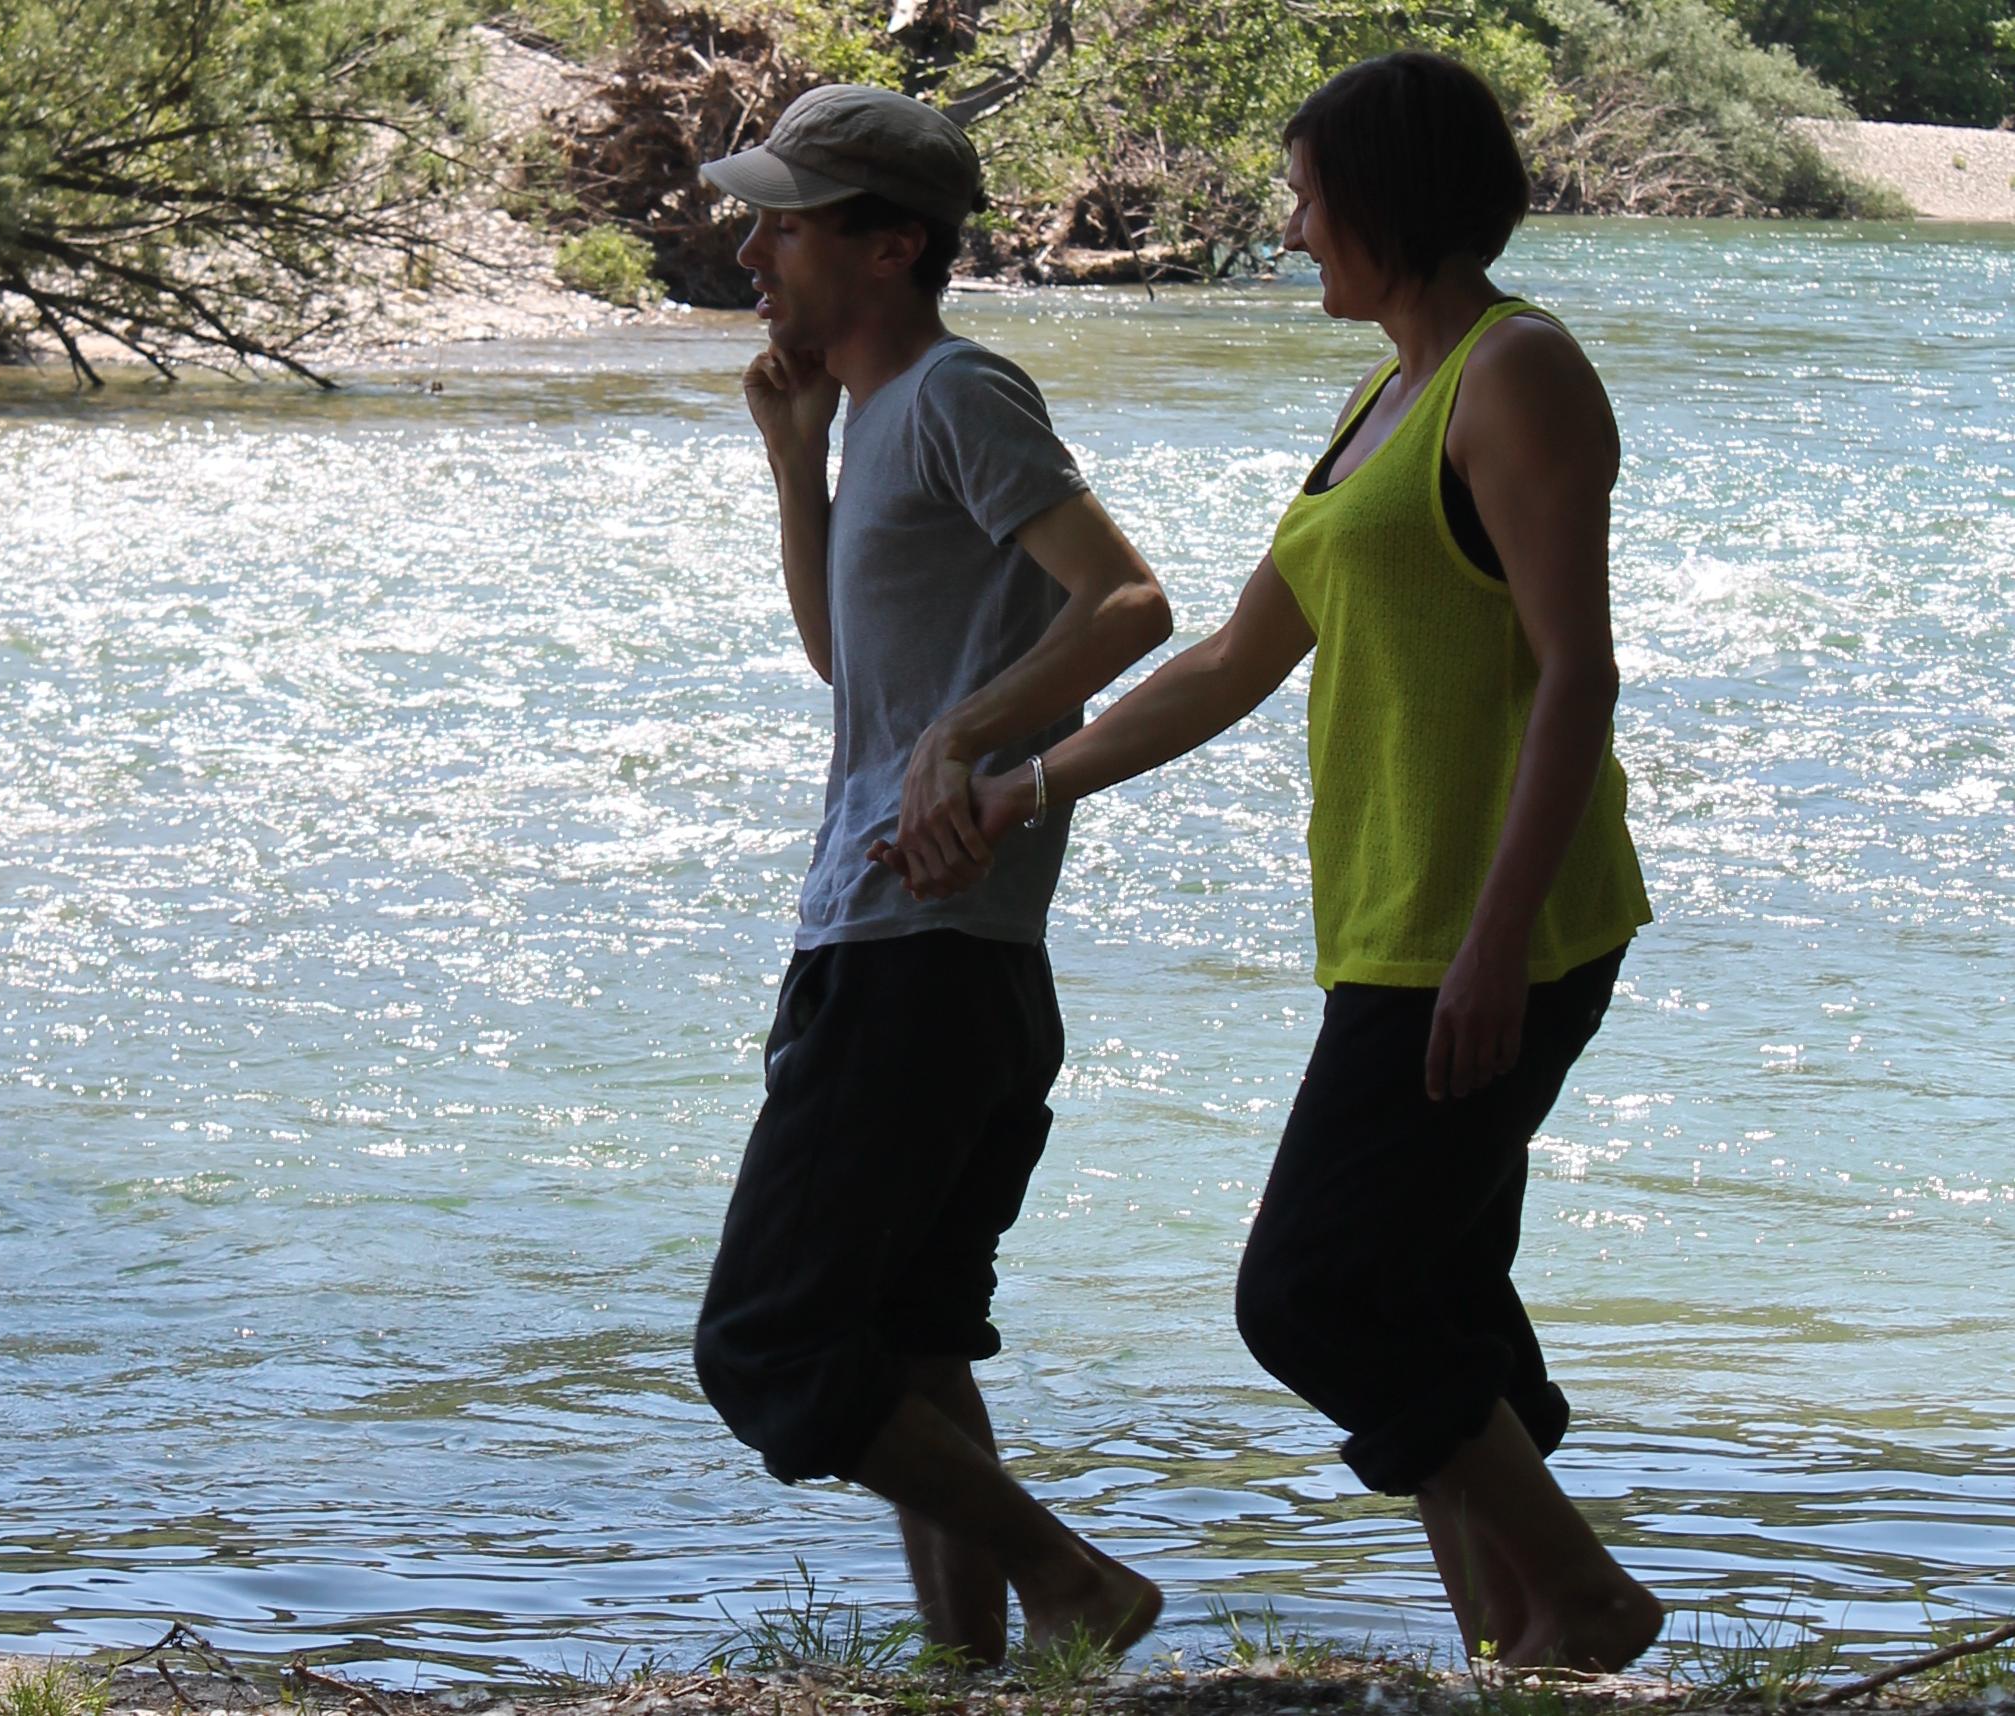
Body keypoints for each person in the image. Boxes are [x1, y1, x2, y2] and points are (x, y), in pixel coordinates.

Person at [872, 51, 1666, 1672]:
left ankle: (1579, 1594)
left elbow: (1576, 672)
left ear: (1389, 199)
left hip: (1493, 921)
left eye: (1306, 197)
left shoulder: (1517, 374)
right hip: (1391, 918)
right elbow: (1233, 656)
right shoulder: (1381, 398)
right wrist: (1025, 783)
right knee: (1427, 1293)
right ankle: (1524, 1650)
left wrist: (1500, 943)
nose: (1291, 227)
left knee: (1309, 1291)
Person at [687, 83, 1178, 1666]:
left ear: (891, 245)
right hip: (907, 940)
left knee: (766, 1342)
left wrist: (973, 733)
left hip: (926, 945)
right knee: (900, 1335)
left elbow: (1128, 604)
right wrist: (796, 460)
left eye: (785, 220)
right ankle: (971, 1671)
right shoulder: (878, 412)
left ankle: (1078, 1584)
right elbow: (854, 666)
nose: (751, 246)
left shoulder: (965, 393)